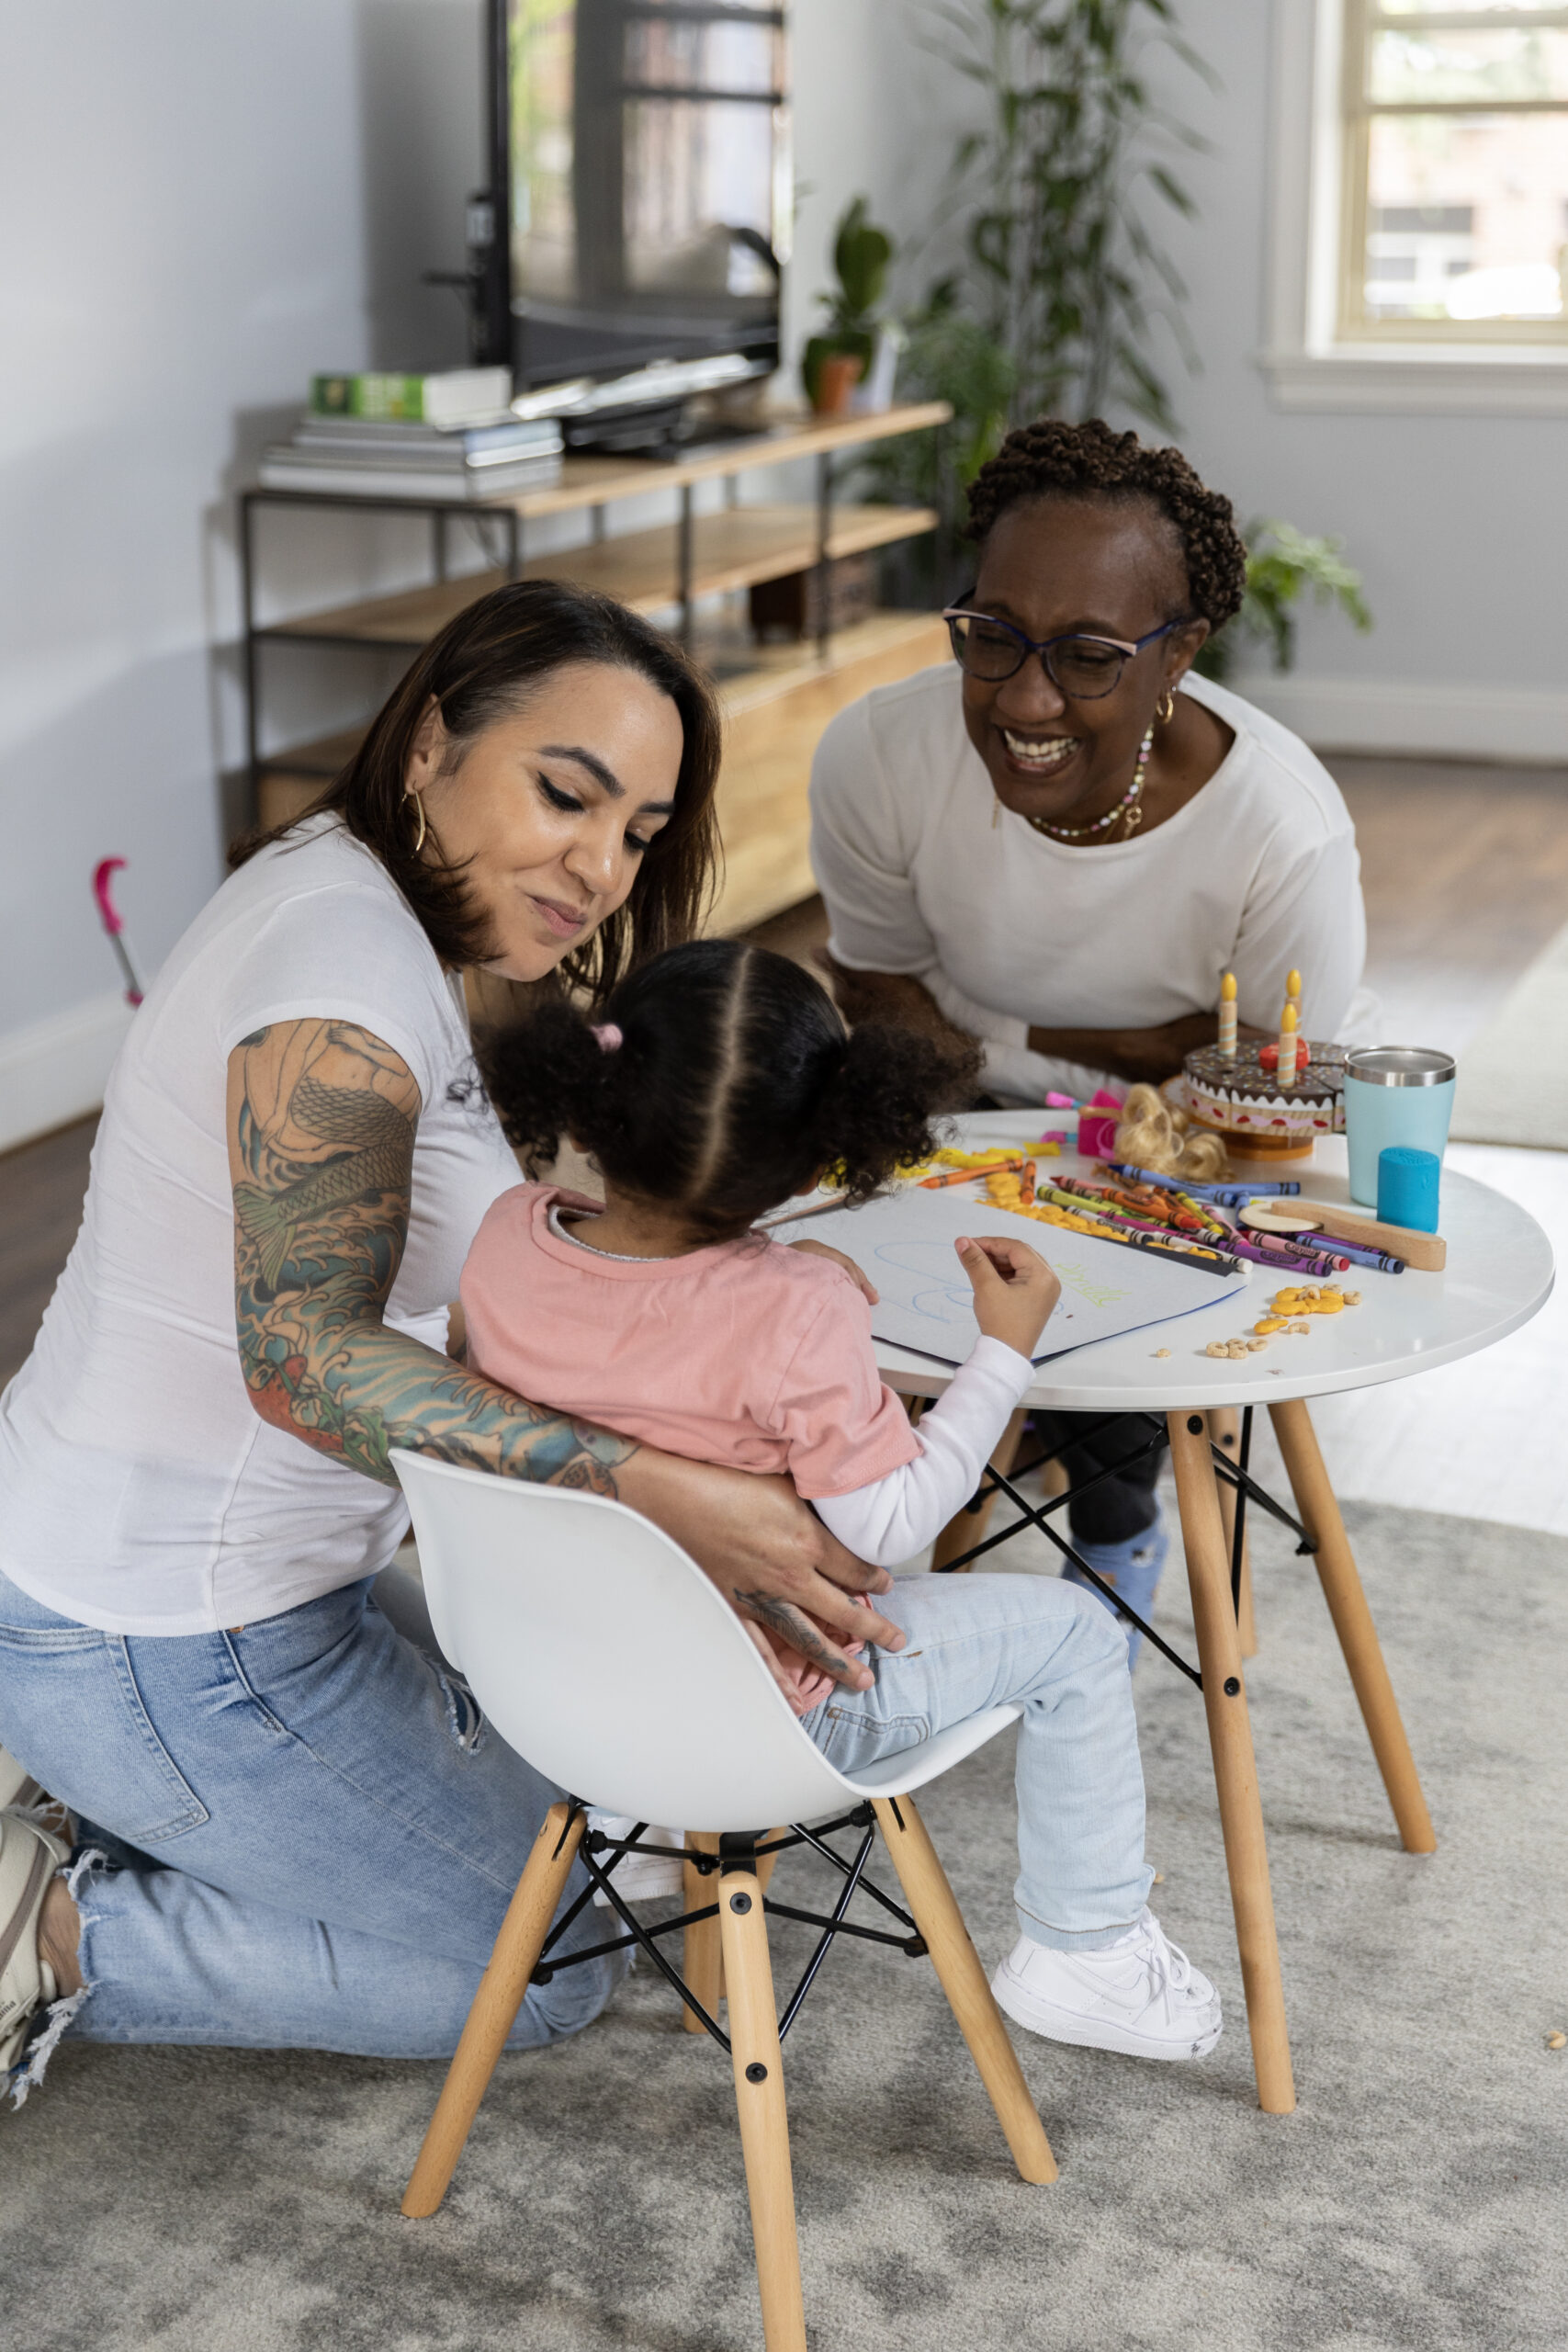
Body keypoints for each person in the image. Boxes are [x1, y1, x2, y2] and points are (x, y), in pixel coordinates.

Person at [0, 580, 911, 2101]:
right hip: (164, 1634)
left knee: (607, 1783)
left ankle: (106, 1800)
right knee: (540, 1962)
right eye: (566, 793)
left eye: (635, 831)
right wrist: (651, 1482)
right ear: (429, 744)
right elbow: (299, 1360)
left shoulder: (371, 895)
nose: (599, 864)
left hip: (237, 1592)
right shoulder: (341, 984)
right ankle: (50, 1927)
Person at [461, 937, 1224, 2060]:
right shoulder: (799, 1307)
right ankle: (1086, 1945)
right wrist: (1001, 1357)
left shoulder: (504, 1233)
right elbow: (891, 1526)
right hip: (762, 1706)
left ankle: (644, 1816)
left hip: (555, 1684)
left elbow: (618, 1360)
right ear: (827, 1152)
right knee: (1072, 1633)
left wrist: (790, 1296)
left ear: (598, 1088)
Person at [810, 417, 1372, 1644]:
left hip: (1199, 1141)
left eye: (1086, 655)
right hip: (960, 1098)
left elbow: (1285, 1096)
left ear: (1180, 654)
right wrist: (1110, 1053)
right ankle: (857, 1509)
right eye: (990, 636)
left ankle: (1113, 1524)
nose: (1023, 694)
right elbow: (874, 990)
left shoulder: (1279, 833)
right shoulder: (876, 754)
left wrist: (1116, 1113)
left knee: (1106, 1256)